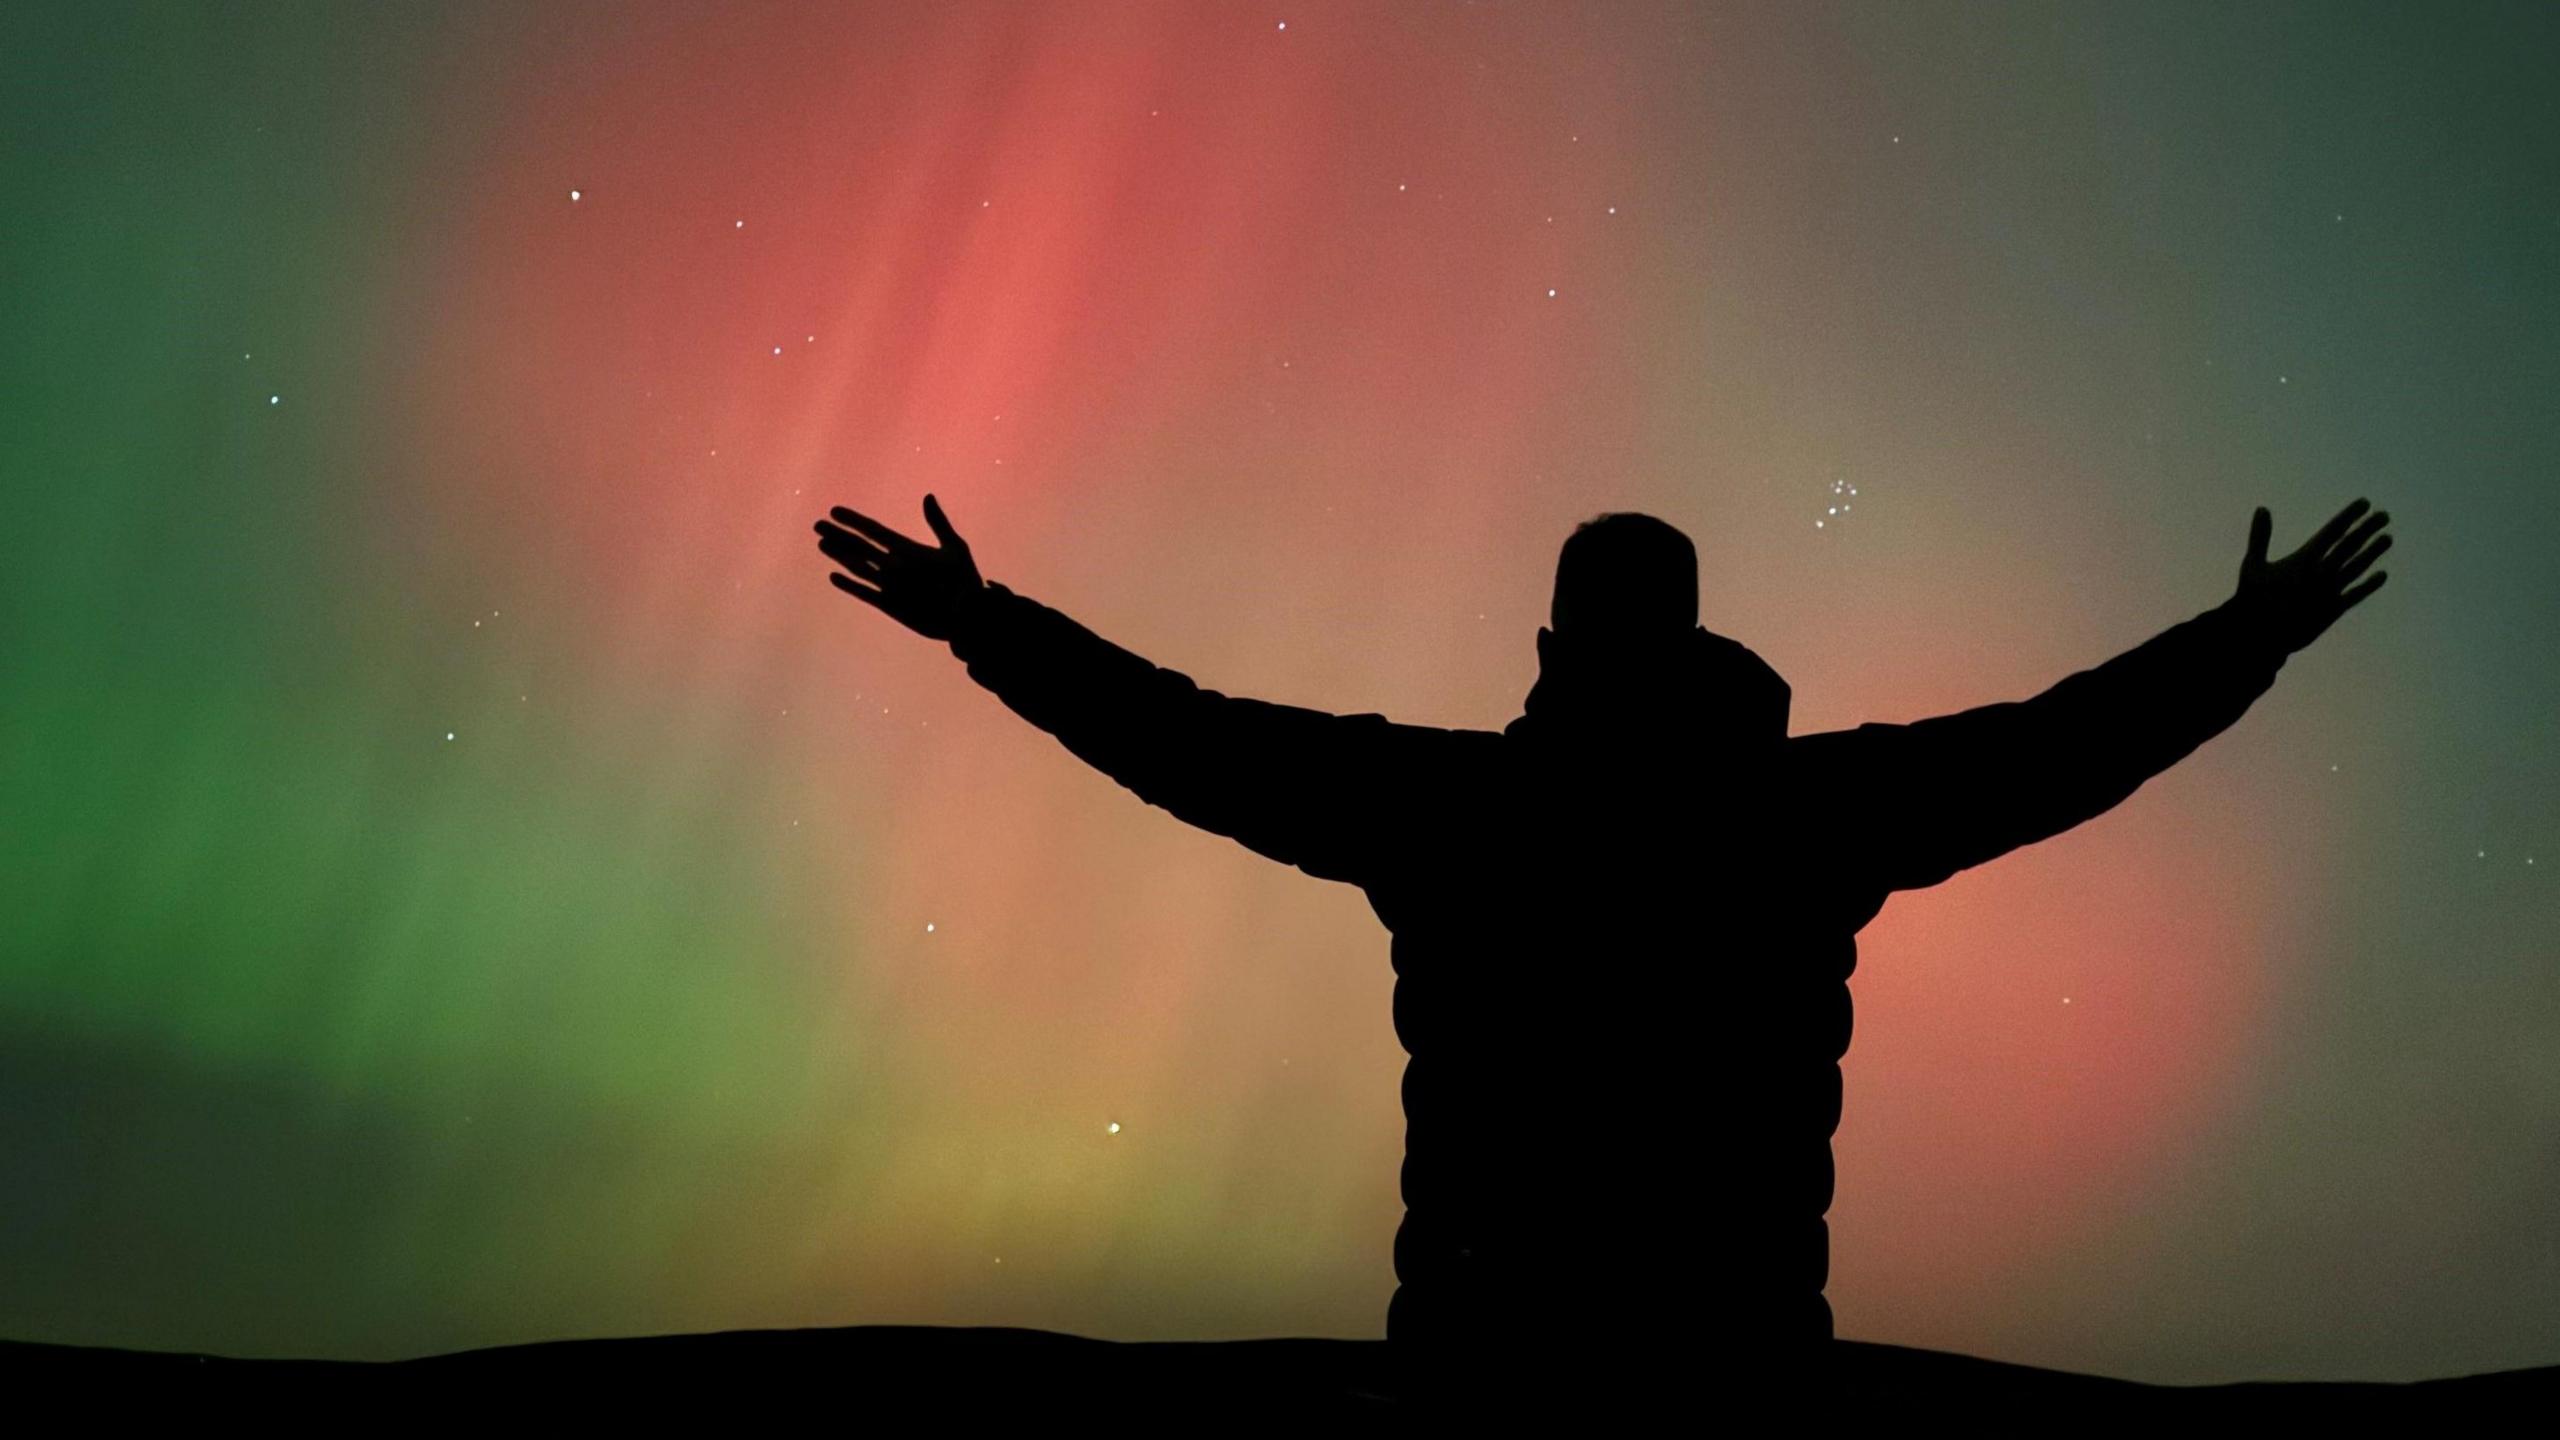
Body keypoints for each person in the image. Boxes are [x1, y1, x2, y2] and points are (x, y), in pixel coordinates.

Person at [811, 494, 2391, 1412]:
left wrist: (986, 626)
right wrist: (2245, 643)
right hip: (1723, 1374)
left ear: (1556, 643)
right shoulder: (1801, 815)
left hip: (1504, 1372)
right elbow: (2057, 751)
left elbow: (1190, 742)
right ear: (1695, 639)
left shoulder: (1459, 809)